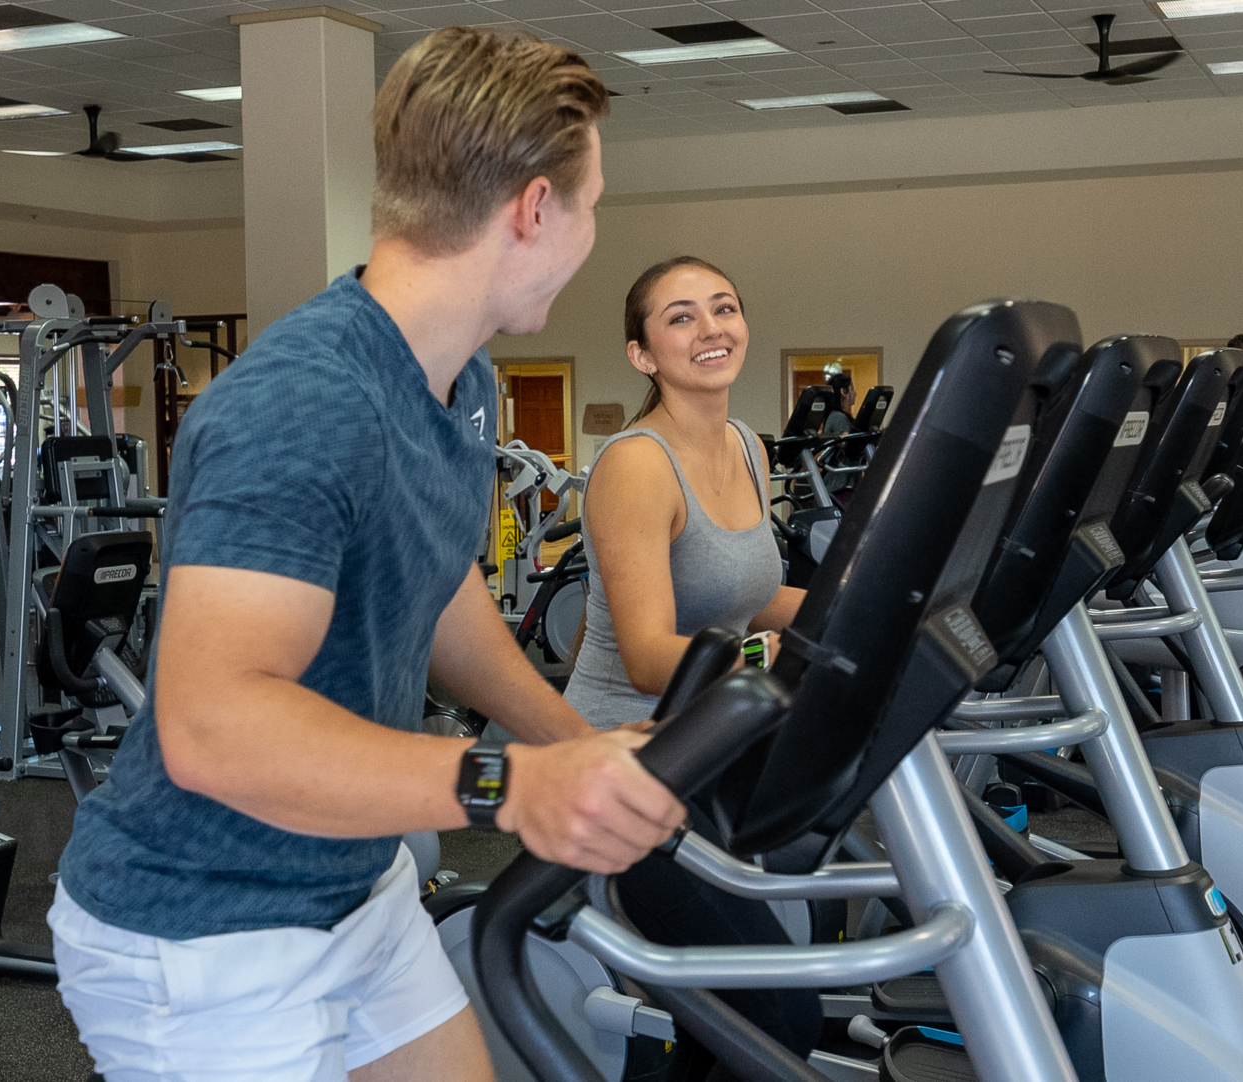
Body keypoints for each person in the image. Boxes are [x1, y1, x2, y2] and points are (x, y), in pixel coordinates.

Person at [48, 28, 685, 1082]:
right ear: (534, 207)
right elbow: (214, 726)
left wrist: (575, 741)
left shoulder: (460, 380)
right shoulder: (304, 401)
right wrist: (511, 784)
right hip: (208, 927)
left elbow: (437, 591)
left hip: (356, 882)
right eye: (593, 204)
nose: (591, 232)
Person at [563, 256, 817, 1079]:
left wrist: (871, 607)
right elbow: (647, 657)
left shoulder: (747, 445)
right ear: (642, 354)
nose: (712, 329)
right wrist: (762, 659)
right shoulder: (637, 464)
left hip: (713, 747)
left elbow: (753, 593)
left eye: (724, 308)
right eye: (681, 317)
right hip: (625, 758)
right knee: (775, 1012)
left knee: (756, 1008)